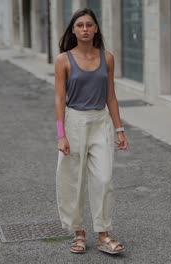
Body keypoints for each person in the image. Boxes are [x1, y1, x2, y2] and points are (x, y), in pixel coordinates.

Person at [54, 8, 128, 255]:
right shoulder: (63, 60)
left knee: (104, 179)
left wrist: (119, 129)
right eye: (80, 25)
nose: (85, 29)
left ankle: (103, 234)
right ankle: (79, 233)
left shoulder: (107, 58)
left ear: (96, 28)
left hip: (100, 122)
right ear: (73, 30)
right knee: (72, 180)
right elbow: (59, 98)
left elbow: (111, 96)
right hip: (74, 121)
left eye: (89, 25)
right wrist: (61, 134)